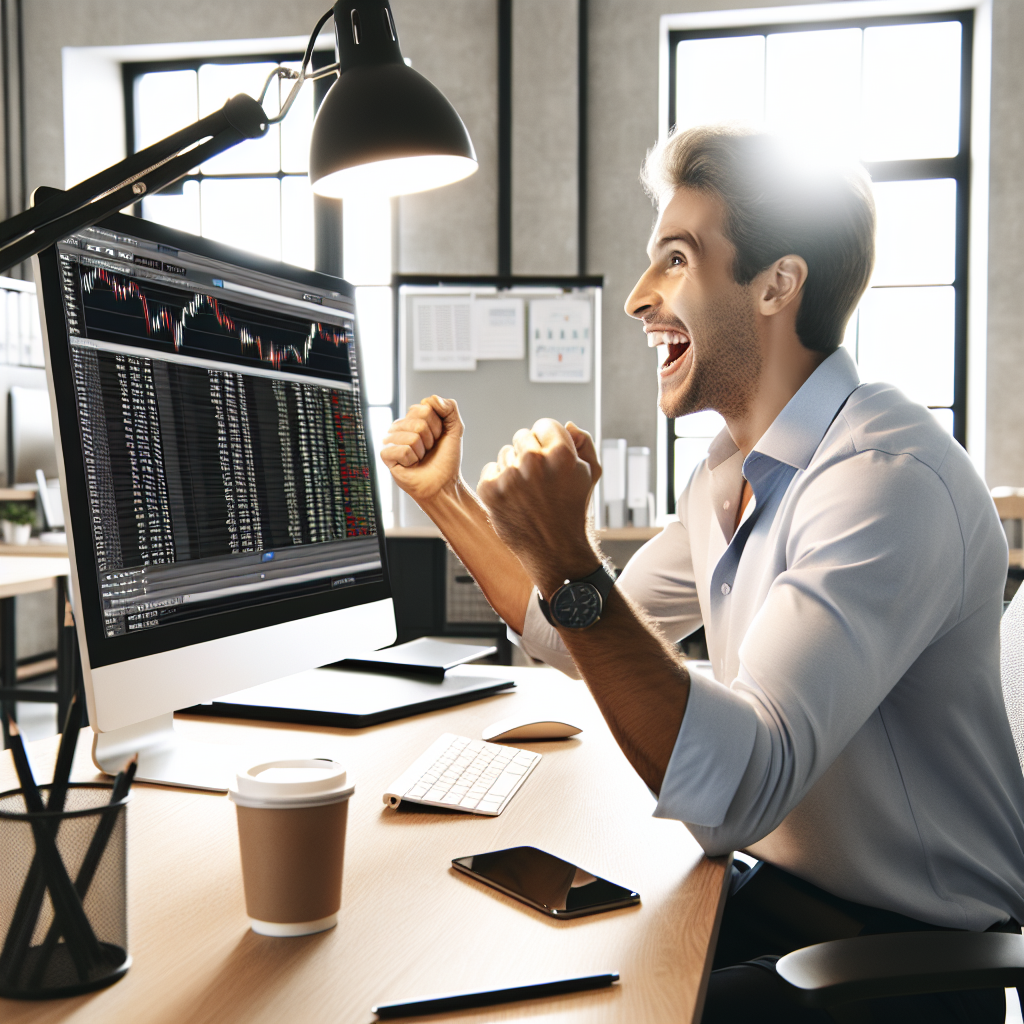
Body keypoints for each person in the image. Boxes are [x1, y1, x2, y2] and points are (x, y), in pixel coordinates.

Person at [381, 125, 1024, 1022]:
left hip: (903, 965)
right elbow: (572, 636)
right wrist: (445, 499)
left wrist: (571, 553)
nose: (639, 299)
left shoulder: (885, 480)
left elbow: (738, 787)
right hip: (777, 902)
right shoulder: (730, 472)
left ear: (777, 284)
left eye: (675, 261)